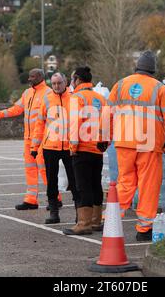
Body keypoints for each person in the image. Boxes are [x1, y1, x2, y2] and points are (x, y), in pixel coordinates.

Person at [106, 50, 165, 241]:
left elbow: (107, 113)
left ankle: (110, 220)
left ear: (137, 67)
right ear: (153, 70)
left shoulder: (120, 84)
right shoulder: (160, 89)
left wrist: (105, 138)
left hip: (124, 142)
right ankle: (144, 229)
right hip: (148, 144)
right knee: (148, 186)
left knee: (125, 182)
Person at [0, 69, 62, 210]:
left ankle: (55, 198)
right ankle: (31, 199)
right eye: (29, 76)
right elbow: (17, 109)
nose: (29, 79)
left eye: (32, 76)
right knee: (30, 169)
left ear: (40, 77)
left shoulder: (48, 93)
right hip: (28, 139)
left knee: (45, 170)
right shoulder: (27, 93)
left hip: (42, 139)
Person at [63, 67, 108, 235]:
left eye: (72, 79)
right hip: (97, 149)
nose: (71, 82)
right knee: (96, 185)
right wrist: (105, 143)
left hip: (81, 149)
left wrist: (73, 147)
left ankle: (84, 223)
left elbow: (75, 123)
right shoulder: (101, 98)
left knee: (83, 187)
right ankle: (96, 221)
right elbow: (108, 122)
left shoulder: (77, 98)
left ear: (78, 80)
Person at [30, 73, 78, 224]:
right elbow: (39, 124)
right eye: (54, 83)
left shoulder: (74, 97)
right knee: (51, 181)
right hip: (50, 146)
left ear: (66, 83)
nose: (56, 86)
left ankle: (80, 212)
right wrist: (34, 146)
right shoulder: (47, 99)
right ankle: (54, 213)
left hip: (69, 146)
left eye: (59, 83)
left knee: (75, 181)